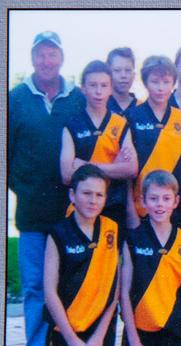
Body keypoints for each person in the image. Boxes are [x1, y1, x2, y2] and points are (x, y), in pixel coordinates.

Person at [8, 30, 85, 346]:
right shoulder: (15, 98)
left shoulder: (78, 97)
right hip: (33, 214)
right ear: (32, 57)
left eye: (52, 53)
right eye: (41, 54)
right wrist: (23, 188)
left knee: (69, 287)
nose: (47, 60)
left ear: (62, 58)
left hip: (72, 214)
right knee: (36, 289)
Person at [43, 165, 120, 346]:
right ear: (72, 194)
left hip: (100, 335)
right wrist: (72, 340)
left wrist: (100, 335)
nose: (93, 200)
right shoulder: (58, 233)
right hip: (66, 332)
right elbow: (49, 291)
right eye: (86, 193)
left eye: (99, 195)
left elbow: (115, 285)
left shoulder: (112, 230)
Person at [119, 170, 181, 346]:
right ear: (143, 201)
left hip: (175, 335)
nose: (160, 204)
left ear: (176, 202)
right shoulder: (133, 239)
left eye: (166, 198)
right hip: (140, 338)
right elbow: (124, 294)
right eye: (154, 199)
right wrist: (134, 343)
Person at [60, 60, 138, 228]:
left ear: (110, 88)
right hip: (80, 209)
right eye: (93, 85)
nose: (98, 91)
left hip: (114, 207)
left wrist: (85, 165)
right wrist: (114, 167)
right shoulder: (72, 125)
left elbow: (131, 168)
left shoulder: (120, 123)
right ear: (83, 89)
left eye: (104, 86)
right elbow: (66, 175)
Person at [125, 55, 181, 228]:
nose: (161, 88)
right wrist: (131, 212)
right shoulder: (132, 116)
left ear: (173, 83)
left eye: (166, 82)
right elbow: (127, 174)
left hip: (173, 207)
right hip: (142, 206)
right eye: (155, 81)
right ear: (146, 83)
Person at [106, 47, 140, 115]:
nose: (123, 75)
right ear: (108, 73)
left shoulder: (142, 108)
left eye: (128, 70)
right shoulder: (100, 106)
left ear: (134, 74)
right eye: (117, 70)